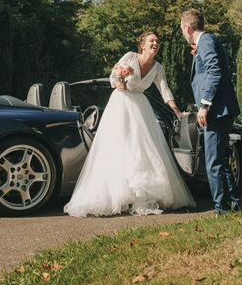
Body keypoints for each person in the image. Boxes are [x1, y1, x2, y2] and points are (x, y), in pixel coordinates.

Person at [64, 31, 196, 217]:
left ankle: (140, 197)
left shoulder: (157, 67)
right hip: (121, 104)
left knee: (142, 151)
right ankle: (116, 196)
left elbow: (164, 90)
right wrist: (117, 81)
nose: (155, 43)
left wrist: (177, 111)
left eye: (157, 41)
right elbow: (113, 76)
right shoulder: (130, 57)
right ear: (142, 45)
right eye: (152, 41)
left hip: (141, 107)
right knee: (121, 148)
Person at [180, 8, 242, 215]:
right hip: (223, 109)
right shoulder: (207, 42)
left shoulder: (205, 41)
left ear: (188, 27)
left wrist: (204, 106)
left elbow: (214, 72)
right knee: (221, 159)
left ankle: (221, 209)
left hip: (216, 110)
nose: (183, 32)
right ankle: (234, 203)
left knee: (213, 161)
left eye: (182, 29)